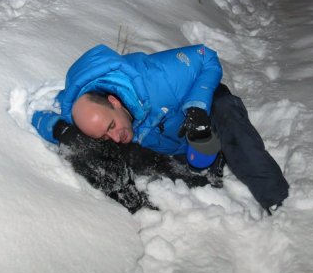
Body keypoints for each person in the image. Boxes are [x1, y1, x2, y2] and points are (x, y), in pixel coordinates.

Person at [32, 44, 289, 213]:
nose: (115, 136)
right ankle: (197, 175)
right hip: (175, 149)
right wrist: (62, 131)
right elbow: (40, 115)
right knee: (87, 148)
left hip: (203, 120)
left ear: (114, 101)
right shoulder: (79, 109)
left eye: (111, 125)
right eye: (105, 134)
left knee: (224, 107)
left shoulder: (158, 76)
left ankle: (277, 199)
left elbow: (206, 56)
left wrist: (197, 106)